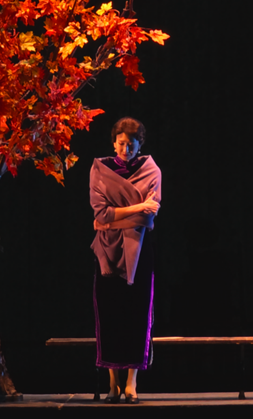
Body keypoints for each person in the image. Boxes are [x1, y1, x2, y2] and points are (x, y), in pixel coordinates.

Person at [89, 117, 161, 404]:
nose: (126, 149)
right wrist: (138, 206)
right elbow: (100, 213)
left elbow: (148, 218)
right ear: (113, 143)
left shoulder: (150, 170)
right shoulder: (101, 169)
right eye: (121, 144)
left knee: (136, 313)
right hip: (107, 251)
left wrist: (113, 219)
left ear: (139, 144)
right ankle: (112, 383)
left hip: (138, 249)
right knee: (110, 314)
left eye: (131, 145)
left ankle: (131, 383)